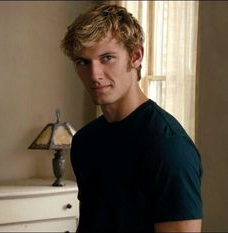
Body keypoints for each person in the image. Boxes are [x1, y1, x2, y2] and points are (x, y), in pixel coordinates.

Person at [61, 3, 203, 233]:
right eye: (83, 62)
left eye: (107, 58)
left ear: (136, 56)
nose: (94, 75)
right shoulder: (84, 141)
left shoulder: (169, 147)